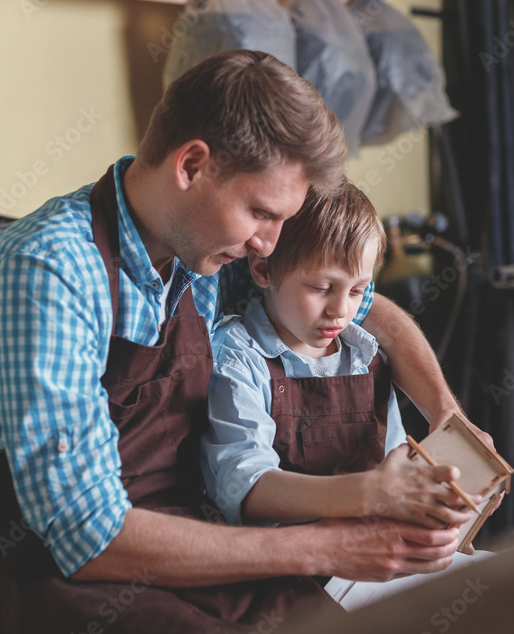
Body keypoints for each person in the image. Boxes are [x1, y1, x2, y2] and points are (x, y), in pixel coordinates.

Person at [0, 50, 491, 634]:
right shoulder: (50, 271)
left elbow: (376, 315)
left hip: (191, 541)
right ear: (193, 165)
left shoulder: (204, 252)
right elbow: (89, 538)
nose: (269, 243)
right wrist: (330, 548)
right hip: (52, 576)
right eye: (261, 212)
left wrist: (448, 420)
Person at [201, 181, 476, 532]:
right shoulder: (239, 358)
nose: (341, 311)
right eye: (321, 288)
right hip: (289, 564)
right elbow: (249, 490)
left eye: (359, 290)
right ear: (262, 270)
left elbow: (396, 464)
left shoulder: (366, 353)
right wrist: (369, 494)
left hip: (380, 546)